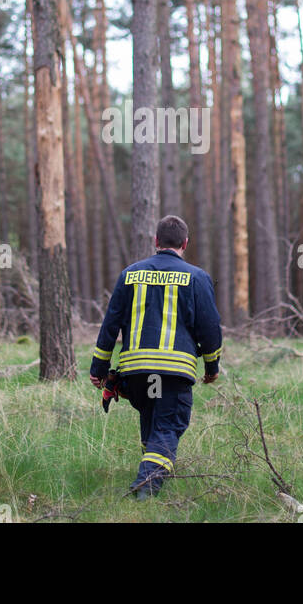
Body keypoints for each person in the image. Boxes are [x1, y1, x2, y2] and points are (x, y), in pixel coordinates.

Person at [89, 214, 223, 499]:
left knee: (153, 422)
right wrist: (212, 366)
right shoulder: (197, 278)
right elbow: (210, 328)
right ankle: (145, 489)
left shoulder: (130, 274)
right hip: (173, 373)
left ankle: (150, 477)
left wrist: (98, 368)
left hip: (135, 374)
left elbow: (110, 325)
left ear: (156, 241)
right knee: (167, 426)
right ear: (185, 243)